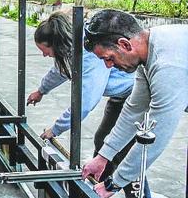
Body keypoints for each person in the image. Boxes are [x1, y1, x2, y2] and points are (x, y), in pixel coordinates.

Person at [26, 12, 148, 198]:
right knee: (102, 141)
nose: (44, 55)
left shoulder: (90, 53)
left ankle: (137, 195)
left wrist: (56, 129)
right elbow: (59, 71)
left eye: (45, 50)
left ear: (57, 45)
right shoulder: (70, 49)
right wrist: (41, 91)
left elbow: (85, 101)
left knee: (123, 150)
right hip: (119, 97)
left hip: (133, 96)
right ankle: (98, 189)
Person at [81, 9, 188, 198]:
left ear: (124, 44)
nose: (108, 66)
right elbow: (134, 110)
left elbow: (157, 135)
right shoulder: (148, 50)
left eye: (109, 58)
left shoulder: (168, 65)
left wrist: (114, 183)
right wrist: (103, 156)